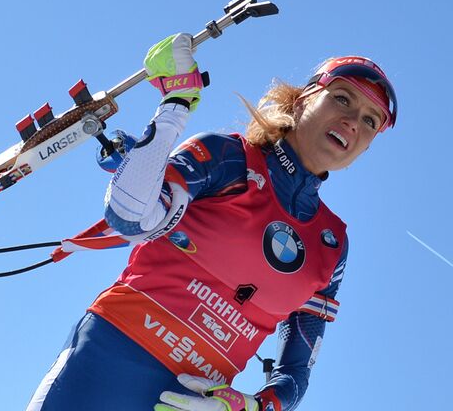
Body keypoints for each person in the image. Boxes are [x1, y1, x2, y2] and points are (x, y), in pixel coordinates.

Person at [26, 33, 397, 411]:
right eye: (342, 98)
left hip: (187, 401)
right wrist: (177, 102)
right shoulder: (230, 157)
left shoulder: (332, 244)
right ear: (303, 100)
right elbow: (129, 216)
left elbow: (295, 374)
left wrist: (250, 407)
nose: (352, 122)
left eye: (370, 121)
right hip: (105, 367)